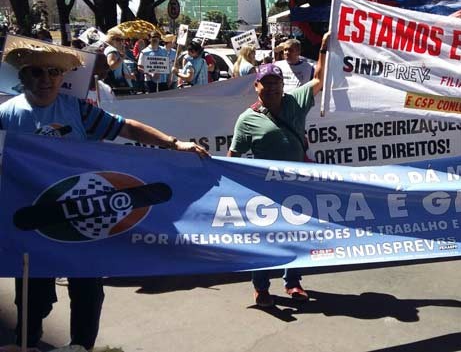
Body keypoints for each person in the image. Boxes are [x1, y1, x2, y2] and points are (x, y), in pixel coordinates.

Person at [0, 41, 208, 351]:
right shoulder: (6, 115)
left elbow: (127, 129)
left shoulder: (77, 110)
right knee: (32, 300)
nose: (45, 79)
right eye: (36, 72)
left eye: (53, 72)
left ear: (61, 77)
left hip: (83, 217)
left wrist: (174, 144)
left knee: (87, 294)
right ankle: (27, 342)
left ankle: (81, 346)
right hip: (34, 225)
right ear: (24, 77)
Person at [227, 32, 329, 308]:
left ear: (283, 85)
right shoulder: (247, 120)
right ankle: (261, 288)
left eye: (276, 84)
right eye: (266, 84)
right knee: (264, 240)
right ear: (256, 87)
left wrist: (323, 47)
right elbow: (232, 156)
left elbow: (319, 79)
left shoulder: (296, 101)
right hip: (265, 190)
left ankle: (293, 282)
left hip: (297, 184)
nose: (272, 89)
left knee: (297, 235)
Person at [104, 28, 134, 95]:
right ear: (111, 40)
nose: (121, 42)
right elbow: (112, 66)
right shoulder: (111, 50)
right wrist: (121, 58)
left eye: (122, 39)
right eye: (118, 39)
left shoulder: (115, 51)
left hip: (118, 86)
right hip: (116, 87)